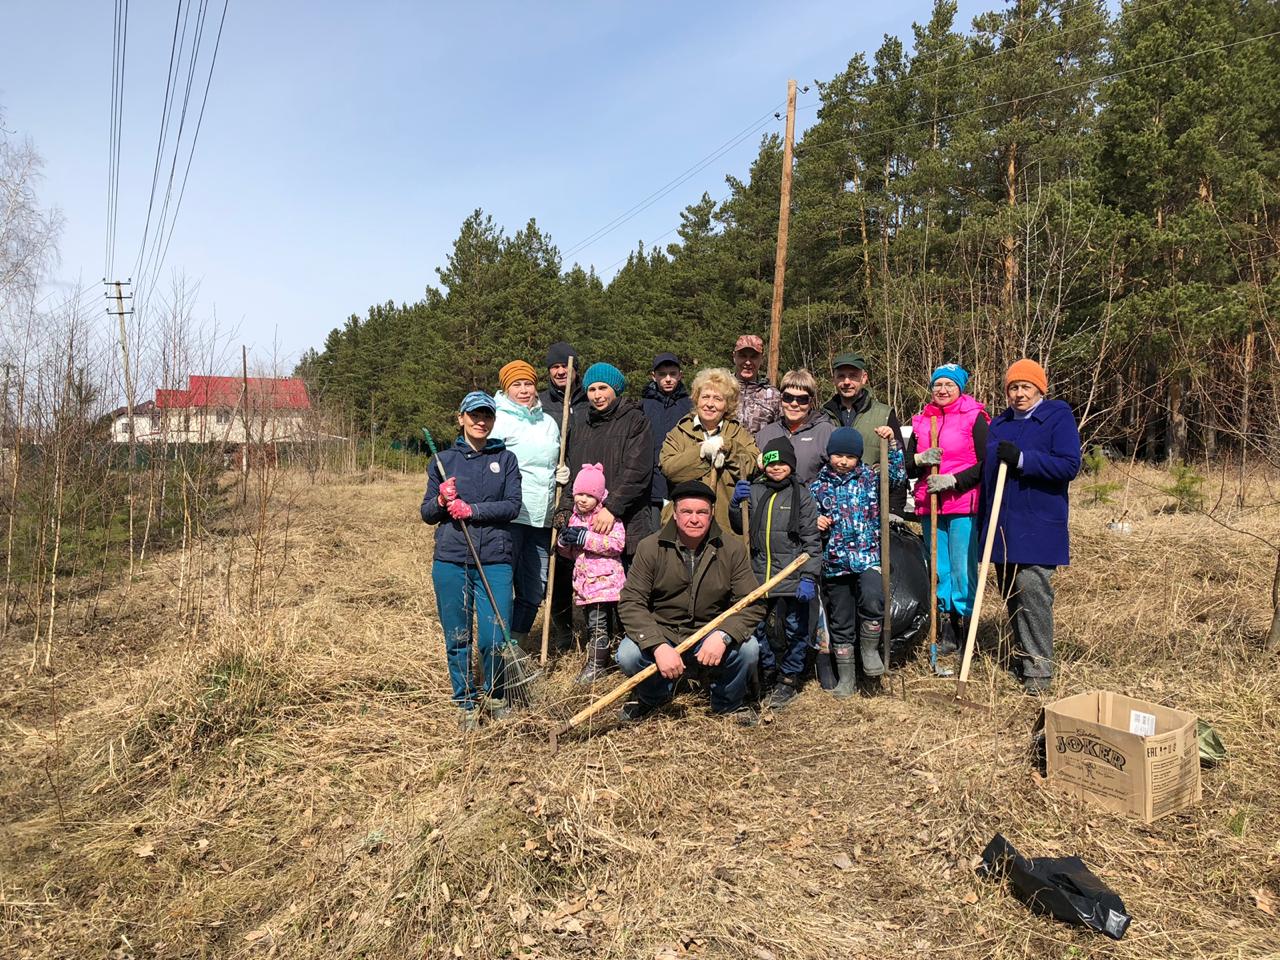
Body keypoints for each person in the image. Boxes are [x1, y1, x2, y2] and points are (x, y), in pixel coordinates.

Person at [616, 481, 764, 722]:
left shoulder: (732, 549)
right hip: (664, 632)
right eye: (687, 512)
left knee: (749, 649)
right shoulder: (650, 547)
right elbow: (631, 602)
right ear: (674, 513)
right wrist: (657, 645)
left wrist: (724, 635)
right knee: (628, 654)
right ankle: (654, 699)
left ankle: (728, 704)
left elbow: (752, 603)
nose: (694, 519)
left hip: (710, 633)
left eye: (702, 512)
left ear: (711, 514)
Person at [420, 391, 522, 729]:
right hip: (451, 558)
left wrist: (472, 510)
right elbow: (427, 514)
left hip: (494, 557)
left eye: (487, 416)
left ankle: (495, 694)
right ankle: (465, 701)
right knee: (459, 635)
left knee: (495, 637)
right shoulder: (443, 460)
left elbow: (512, 506)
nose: (481, 421)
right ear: (461, 418)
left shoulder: (505, 459)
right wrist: (440, 499)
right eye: (474, 415)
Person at [980, 359, 1081, 695]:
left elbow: (1069, 465)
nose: (1019, 394)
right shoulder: (1000, 423)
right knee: (1011, 593)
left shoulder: (1056, 415)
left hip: (1038, 524)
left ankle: (1039, 672)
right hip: (1003, 524)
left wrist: (1023, 459)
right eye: (1013, 387)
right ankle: (1023, 657)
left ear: (1040, 388)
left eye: (1025, 387)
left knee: (1032, 590)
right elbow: (988, 476)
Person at [810, 426, 905, 698]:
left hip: (867, 558)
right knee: (840, 619)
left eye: (849, 457)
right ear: (829, 455)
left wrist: (893, 446)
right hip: (835, 563)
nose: (843, 461)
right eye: (837, 455)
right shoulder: (818, 486)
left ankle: (869, 650)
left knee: (874, 597)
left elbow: (897, 478)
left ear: (858, 457)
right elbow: (808, 515)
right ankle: (847, 678)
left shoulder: (869, 479)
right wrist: (816, 521)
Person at [729, 436, 821, 710]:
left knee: (795, 628)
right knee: (756, 628)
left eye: (782, 463)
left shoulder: (801, 496)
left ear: (791, 465)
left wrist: (808, 576)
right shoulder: (755, 491)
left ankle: (790, 677)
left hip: (790, 576)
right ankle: (768, 672)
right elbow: (739, 527)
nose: (777, 467)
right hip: (757, 576)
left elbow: (811, 540)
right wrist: (736, 504)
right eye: (771, 463)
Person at [906, 363, 990, 657]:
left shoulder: (974, 418)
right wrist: (919, 458)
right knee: (939, 571)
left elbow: (986, 464)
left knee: (961, 569)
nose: (942, 390)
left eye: (949, 385)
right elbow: (905, 467)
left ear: (960, 388)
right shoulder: (922, 421)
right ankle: (947, 631)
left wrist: (954, 480)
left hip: (963, 503)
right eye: (937, 385)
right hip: (930, 506)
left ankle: (968, 634)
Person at [492, 360, 567, 648]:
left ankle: (516, 646)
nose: (524, 390)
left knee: (535, 588)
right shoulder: (498, 419)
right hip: (509, 517)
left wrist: (562, 474)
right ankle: (496, 646)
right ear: (506, 388)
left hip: (542, 517)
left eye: (528, 383)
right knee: (501, 585)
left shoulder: (548, 422)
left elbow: (556, 459)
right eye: (516, 385)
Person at [558, 362, 654, 564]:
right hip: (587, 526)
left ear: (615, 389)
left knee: (627, 589)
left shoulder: (635, 420)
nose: (597, 395)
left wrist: (611, 508)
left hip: (627, 521)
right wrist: (565, 509)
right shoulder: (580, 429)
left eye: (603, 388)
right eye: (591, 389)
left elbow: (637, 470)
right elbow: (575, 476)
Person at [660, 367, 760, 535]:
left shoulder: (739, 434)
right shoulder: (679, 432)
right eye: (705, 396)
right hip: (684, 527)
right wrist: (703, 454)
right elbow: (669, 469)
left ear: (727, 405)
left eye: (718, 399)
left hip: (725, 527)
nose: (710, 404)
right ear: (696, 399)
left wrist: (727, 447)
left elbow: (752, 467)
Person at [557, 463, 626, 686]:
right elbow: (570, 553)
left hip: (607, 583)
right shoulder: (574, 519)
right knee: (594, 625)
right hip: (586, 586)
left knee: (610, 624)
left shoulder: (608, 518)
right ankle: (601, 662)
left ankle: (600, 665)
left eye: (588, 495)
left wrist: (586, 538)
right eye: (579, 494)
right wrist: (564, 541)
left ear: (599, 496)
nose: (582, 499)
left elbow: (616, 544)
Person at [821, 353, 907, 514]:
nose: (847, 382)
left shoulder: (884, 415)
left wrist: (894, 511)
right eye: (841, 376)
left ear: (864, 378)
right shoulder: (823, 416)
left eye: (853, 376)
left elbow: (899, 467)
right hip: (832, 509)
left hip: (872, 510)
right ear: (834, 379)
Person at [753, 368, 835, 485]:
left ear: (811, 402)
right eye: (788, 397)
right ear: (781, 398)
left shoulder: (827, 433)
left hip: (810, 502)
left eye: (802, 399)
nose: (794, 404)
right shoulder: (764, 435)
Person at [641, 352, 692, 528]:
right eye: (662, 374)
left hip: (683, 482)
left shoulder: (691, 405)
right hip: (652, 485)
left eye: (672, 374)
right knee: (656, 535)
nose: (668, 379)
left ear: (680, 375)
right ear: (653, 376)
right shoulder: (643, 405)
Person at [732, 334, 780, 435]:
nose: (748, 362)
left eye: (753, 357)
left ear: (761, 359)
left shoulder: (773, 396)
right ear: (734, 357)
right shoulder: (720, 390)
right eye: (743, 356)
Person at [539, 341, 587, 428]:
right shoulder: (540, 404)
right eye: (555, 367)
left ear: (575, 369)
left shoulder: (590, 398)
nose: (560, 372)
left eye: (565, 366)